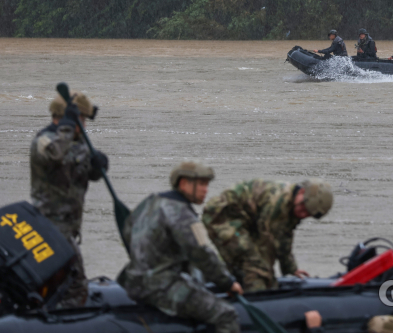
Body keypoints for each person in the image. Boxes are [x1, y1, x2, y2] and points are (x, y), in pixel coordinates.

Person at [119, 162, 243, 333]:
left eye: (206, 184)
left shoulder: (149, 203)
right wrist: (227, 283)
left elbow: (128, 231)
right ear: (184, 183)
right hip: (161, 287)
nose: (205, 190)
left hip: (132, 281)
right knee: (226, 315)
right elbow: (202, 254)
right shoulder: (183, 214)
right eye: (201, 184)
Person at [30, 91, 108, 308]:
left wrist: (97, 166)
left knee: (66, 285)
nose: (83, 126)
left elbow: (82, 171)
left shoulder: (75, 142)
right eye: (81, 120)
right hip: (50, 228)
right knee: (76, 287)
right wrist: (67, 126)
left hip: (68, 230)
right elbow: (55, 155)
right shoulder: (45, 140)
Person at [202, 179, 334, 292]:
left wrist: (290, 268)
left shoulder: (293, 207)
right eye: (303, 208)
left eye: (308, 214)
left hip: (245, 222)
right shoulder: (278, 203)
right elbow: (266, 244)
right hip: (222, 218)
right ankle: (254, 296)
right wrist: (267, 280)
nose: (303, 214)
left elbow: (284, 238)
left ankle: (218, 279)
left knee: (245, 256)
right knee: (253, 260)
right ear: (301, 193)